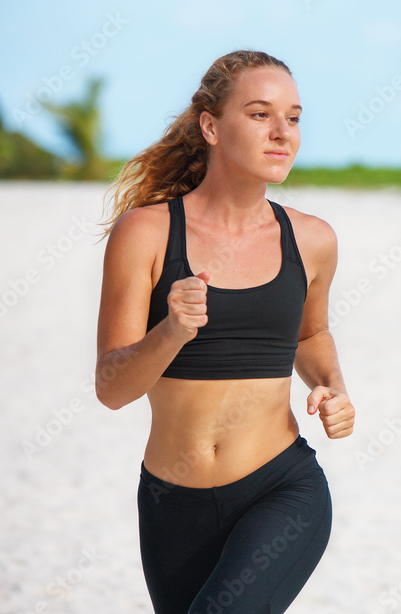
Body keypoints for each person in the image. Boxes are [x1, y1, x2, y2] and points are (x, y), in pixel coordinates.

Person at [94, 49, 355, 613]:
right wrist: (169, 332)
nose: (282, 132)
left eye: (294, 117)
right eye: (261, 114)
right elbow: (112, 388)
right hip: (170, 503)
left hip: (279, 490)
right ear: (211, 126)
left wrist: (334, 385)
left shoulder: (312, 240)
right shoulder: (147, 233)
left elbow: (309, 337)